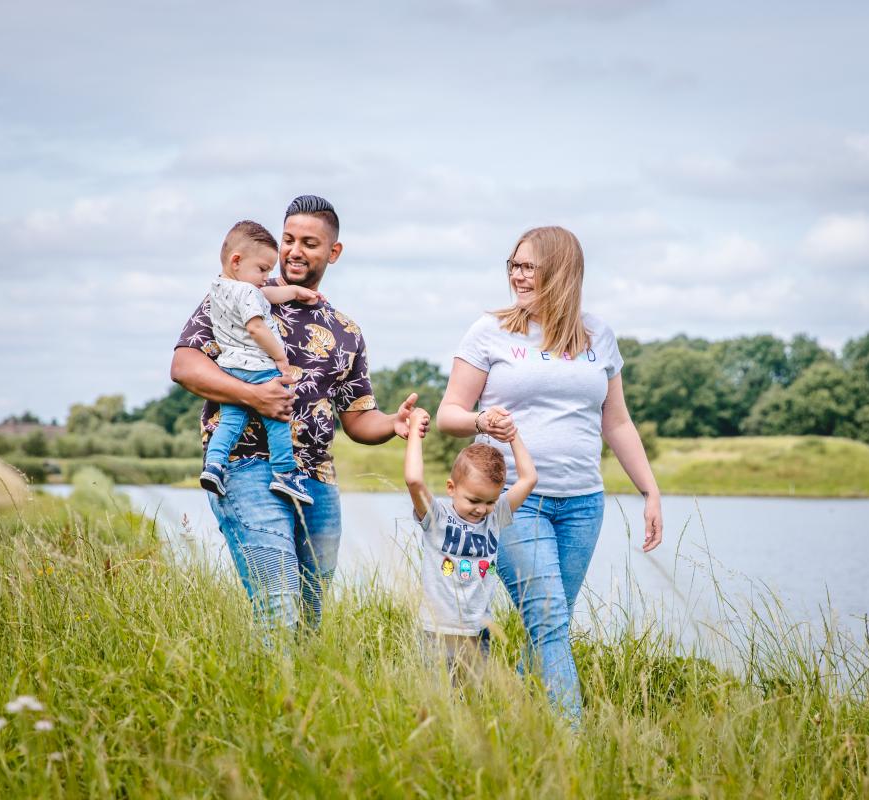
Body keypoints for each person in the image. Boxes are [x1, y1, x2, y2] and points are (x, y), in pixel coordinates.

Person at [436, 225, 664, 722]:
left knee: (548, 627)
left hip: (583, 504)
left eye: (529, 266)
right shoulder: (489, 331)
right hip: (517, 502)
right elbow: (449, 411)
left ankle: (514, 720)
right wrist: (481, 420)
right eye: (513, 265)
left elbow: (617, 420)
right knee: (549, 621)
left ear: (561, 271)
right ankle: (572, 742)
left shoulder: (597, 335)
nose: (518, 275)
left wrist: (649, 490)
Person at [171, 195, 429, 629]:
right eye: (288, 239)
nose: (293, 250)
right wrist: (253, 396)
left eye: (309, 243)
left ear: (333, 252)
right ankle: (267, 696)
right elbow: (185, 365)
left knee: (309, 617)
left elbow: (358, 416)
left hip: (317, 482)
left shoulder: (345, 330)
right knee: (278, 609)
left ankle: (295, 696)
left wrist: (394, 424)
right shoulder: (239, 295)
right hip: (247, 467)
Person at [403, 407, 537, 681]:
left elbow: (529, 479)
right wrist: (415, 430)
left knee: (473, 704)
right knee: (438, 700)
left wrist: (512, 435)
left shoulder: (496, 517)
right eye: (474, 500)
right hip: (436, 631)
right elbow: (414, 480)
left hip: (478, 633)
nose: (482, 509)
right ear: (451, 488)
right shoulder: (437, 516)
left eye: (489, 501)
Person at [199, 220, 323, 505]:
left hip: (231, 369)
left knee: (231, 420)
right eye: (262, 269)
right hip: (258, 367)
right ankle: (284, 473)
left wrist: (294, 292)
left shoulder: (220, 287)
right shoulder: (248, 291)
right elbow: (256, 327)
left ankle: (214, 466)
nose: (266, 276)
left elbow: (264, 295)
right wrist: (280, 357)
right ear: (237, 260)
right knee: (278, 419)